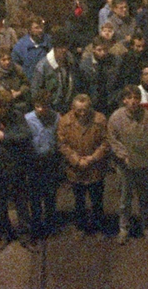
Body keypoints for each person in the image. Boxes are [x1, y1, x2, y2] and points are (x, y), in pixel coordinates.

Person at [107, 85, 148, 243]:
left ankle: (147, 228)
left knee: (144, 198)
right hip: (125, 165)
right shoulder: (116, 117)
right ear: (124, 100)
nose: (133, 101)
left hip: (143, 164)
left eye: (136, 98)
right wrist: (124, 156)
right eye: (129, 98)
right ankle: (124, 228)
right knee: (125, 199)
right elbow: (113, 140)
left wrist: (146, 158)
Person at [56, 93, 109, 235]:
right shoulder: (65, 121)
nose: (82, 113)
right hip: (75, 168)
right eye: (79, 110)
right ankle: (81, 226)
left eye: (85, 109)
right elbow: (62, 144)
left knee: (97, 199)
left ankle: (98, 226)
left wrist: (92, 158)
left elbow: (105, 142)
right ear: (73, 108)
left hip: (95, 167)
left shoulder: (99, 119)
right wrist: (76, 159)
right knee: (79, 200)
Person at [0, 89, 32, 246]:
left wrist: (5, 136)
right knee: (0, 203)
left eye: (6, 107)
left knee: (21, 201)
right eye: (0, 107)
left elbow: (26, 134)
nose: (3, 110)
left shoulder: (17, 116)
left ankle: (25, 233)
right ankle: (3, 233)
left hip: (16, 166)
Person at [24, 90, 61, 239]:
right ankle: (37, 224)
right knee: (35, 195)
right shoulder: (27, 119)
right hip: (34, 161)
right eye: (38, 106)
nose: (40, 110)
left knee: (50, 193)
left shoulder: (56, 117)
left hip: (50, 160)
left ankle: (51, 223)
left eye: (44, 107)